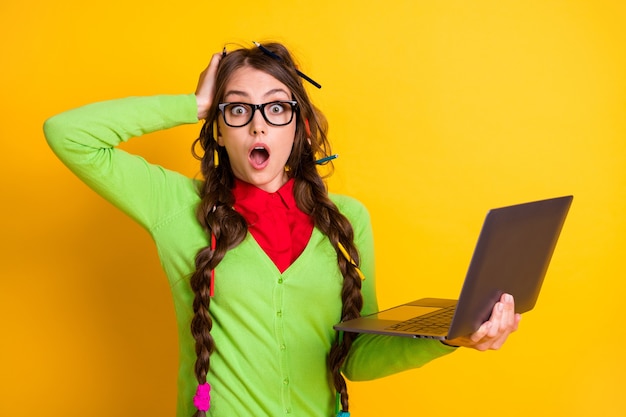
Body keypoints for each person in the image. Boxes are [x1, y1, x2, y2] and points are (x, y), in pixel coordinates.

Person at [44, 42, 520, 417]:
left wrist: (448, 337)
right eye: (237, 109)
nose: (257, 127)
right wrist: (194, 102)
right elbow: (68, 134)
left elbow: (355, 356)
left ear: (301, 127)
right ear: (218, 128)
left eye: (275, 108)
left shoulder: (348, 220)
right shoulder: (173, 206)